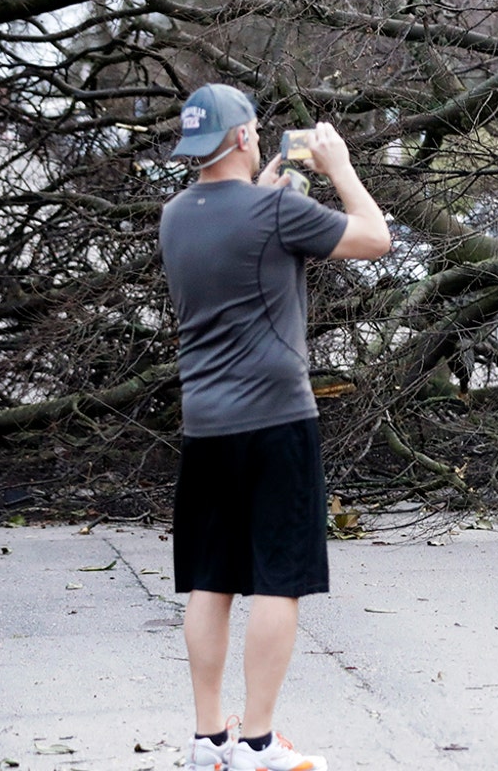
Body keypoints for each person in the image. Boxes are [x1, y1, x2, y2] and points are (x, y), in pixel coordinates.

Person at [158, 84, 391, 771]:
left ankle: (208, 741)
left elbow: (240, 233)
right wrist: (339, 166)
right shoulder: (277, 211)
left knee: (211, 580)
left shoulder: (175, 217)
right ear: (238, 139)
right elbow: (375, 238)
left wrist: (267, 187)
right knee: (276, 582)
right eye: (254, 131)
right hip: (276, 422)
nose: (259, 138)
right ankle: (258, 743)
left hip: (205, 426)